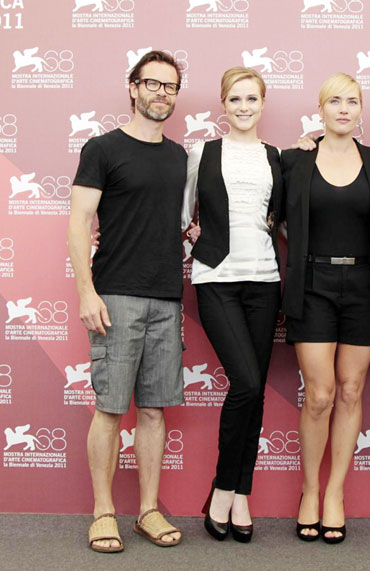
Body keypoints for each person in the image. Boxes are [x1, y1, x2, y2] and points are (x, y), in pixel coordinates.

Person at [68, 50, 186, 553]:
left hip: (167, 297)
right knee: (111, 409)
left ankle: (148, 511)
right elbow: (78, 223)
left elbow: (170, 220)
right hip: (114, 294)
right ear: (133, 88)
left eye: (170, 86)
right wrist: (86, 292)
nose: (162, 93)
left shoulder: (180, 156)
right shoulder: (102, 148)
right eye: (153, 84)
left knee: (155, 410)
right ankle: (102, 512)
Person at [281, 73, 370, 544]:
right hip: (312, 282)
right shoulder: (294, 160)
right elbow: (264, 214)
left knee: (351, 390)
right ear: (320, 107)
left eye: (353, 101)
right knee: (321, 394)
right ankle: (309, 491)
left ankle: (335, 494)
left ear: (361, 110)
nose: (344, 109)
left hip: (365, 285)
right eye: (335, 100)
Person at [182, 67, 283, 543]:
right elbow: (181, 216)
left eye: (252, 99)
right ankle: (224, 486)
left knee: (255, 389)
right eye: (235, 99)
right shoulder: (201, 153)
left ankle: (239, 492)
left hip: (265, 281)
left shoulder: (276, 157)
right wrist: (193, 246)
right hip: (217, 279)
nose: (244, 107)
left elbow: (281, 218)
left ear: (263, 104)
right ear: (224, 105)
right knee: (245, 382)